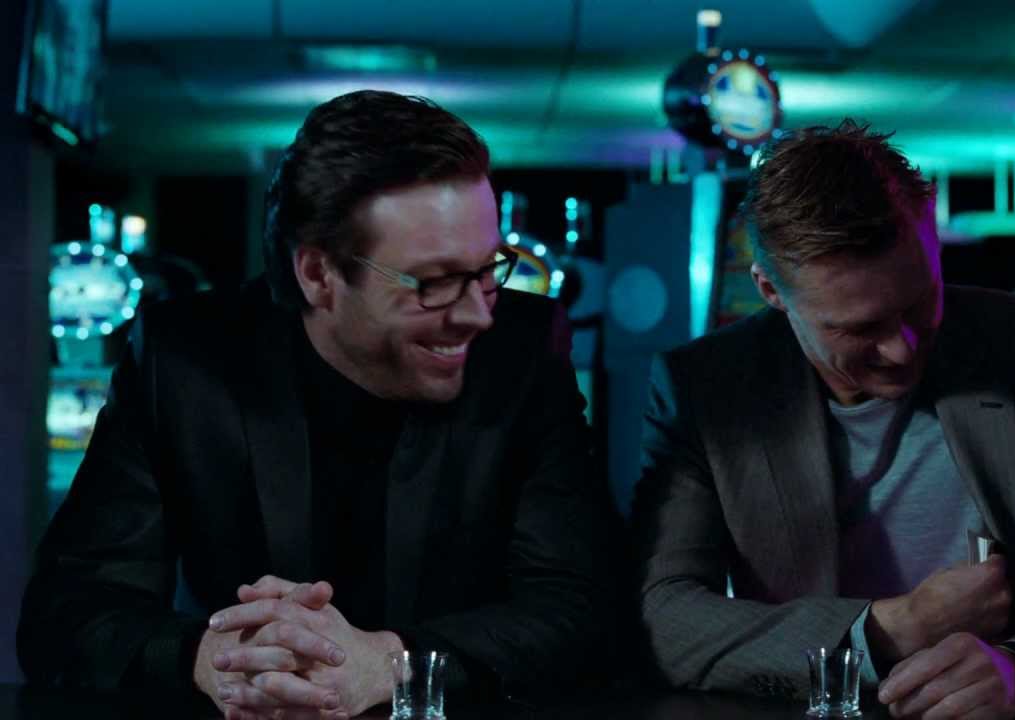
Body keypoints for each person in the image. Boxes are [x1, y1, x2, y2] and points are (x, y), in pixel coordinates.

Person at [18, 90, 617, 719]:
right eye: (436, 281)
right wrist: (215, 659)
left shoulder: (522, 351)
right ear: (317, 274)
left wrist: (391, 663)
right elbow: (65, 614)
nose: (477, 314)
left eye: (489, 269)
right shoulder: (185, 359)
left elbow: (587, 611)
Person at [632, 120, 1015, 718]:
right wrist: (891, 628)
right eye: (859, 328)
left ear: (933, 239)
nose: (903, 348)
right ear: (771, 291)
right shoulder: (707, 387)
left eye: (920, 302)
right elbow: (663, 620)